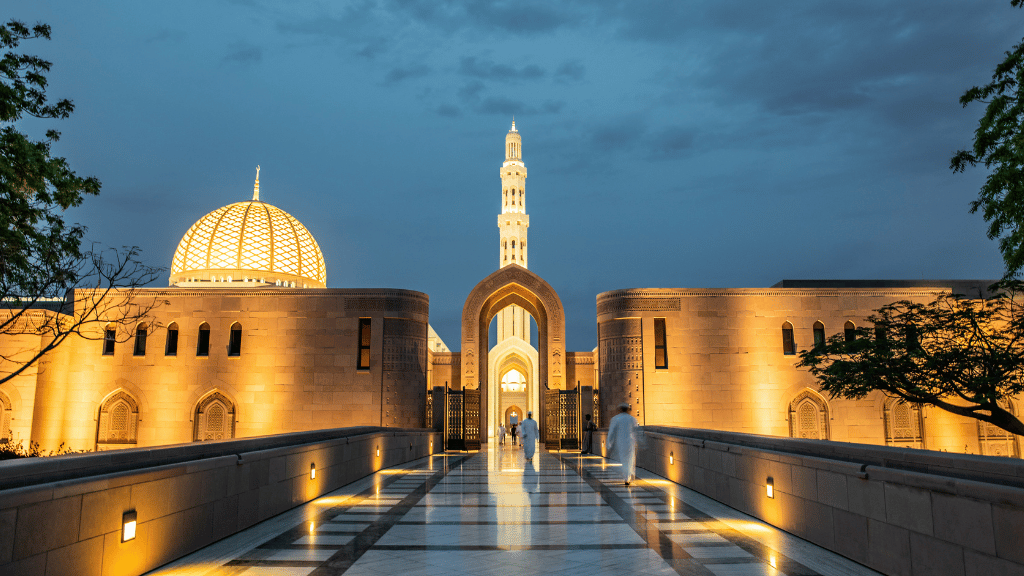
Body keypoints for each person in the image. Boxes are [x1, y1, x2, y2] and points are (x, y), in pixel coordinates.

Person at [605, 403, 639, 485]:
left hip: (621, 443)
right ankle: (628, 477)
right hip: (630, 442)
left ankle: (626, 477)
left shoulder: (616, 419)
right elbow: (636, 431)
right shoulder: (632, 419)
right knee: (630, 459)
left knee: (624, 460)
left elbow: (611, 432)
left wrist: (608, 443)